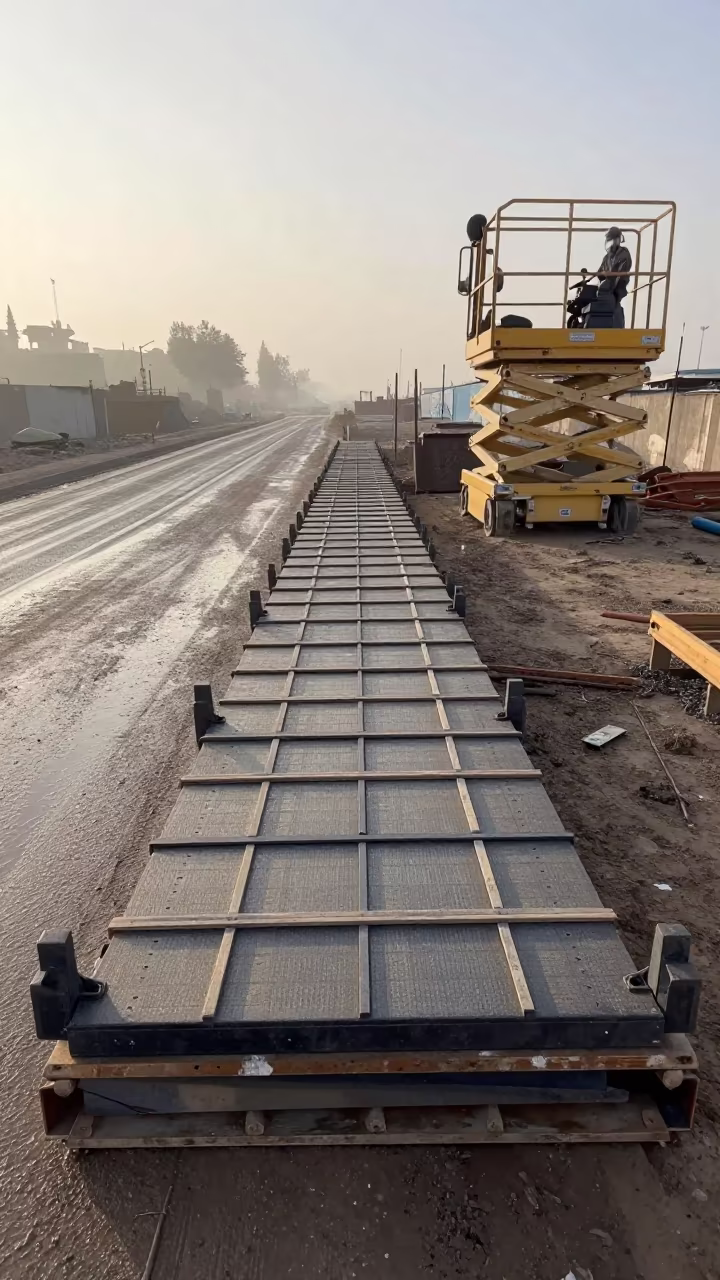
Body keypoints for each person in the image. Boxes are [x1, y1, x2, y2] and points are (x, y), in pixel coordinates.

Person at [597, 227, 632, 328]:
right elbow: (600, 272)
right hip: (606, 287)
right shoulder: (607, 257)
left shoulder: (623, 254)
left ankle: (617, 329)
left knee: (614, 304)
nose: (613, 242)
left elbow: (621, 271)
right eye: (611, 239)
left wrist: (610, 276)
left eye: (615, 239)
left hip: (617, 286)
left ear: (619, 239)